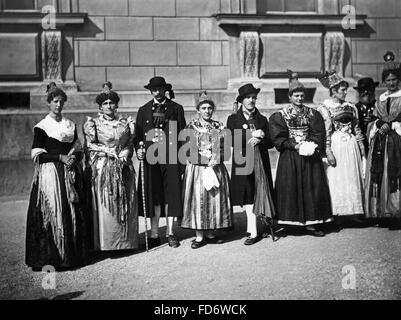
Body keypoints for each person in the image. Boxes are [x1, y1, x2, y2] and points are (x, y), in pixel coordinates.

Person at [26, 83, 89, 271]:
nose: (58, 105)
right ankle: (53, 257)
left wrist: (74, 158)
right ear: (48, 103)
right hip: (50, 175)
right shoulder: (42, 127)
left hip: (70, 172)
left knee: (74, 210)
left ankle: (73, 256)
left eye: (61, 102)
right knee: (54, 211)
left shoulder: (70, 125)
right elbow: (37, 154)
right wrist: (59, 157)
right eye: (55, 102)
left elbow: (78, 148)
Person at [269, 71, 332, 236]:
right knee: (290, 186)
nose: (299, 98)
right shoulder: (280, 115)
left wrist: (309, 145)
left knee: (311, 186)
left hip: (309, 156)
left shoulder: (313, 114)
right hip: (290, 157)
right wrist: (294, 146)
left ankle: (311, 223)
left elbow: (318, 133)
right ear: (290, 97)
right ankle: (290, 220)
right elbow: (278, 138)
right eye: (296, 95)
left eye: (301, 95)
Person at [83, 82, 138, 251]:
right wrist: (108, 151)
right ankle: (105, 243)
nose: (109, 106)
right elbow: (89, 145)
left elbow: (129, 142)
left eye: (111, 103)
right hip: (103, 166)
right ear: (100, 107)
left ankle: (126, 242)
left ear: (116, 105)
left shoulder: (124, 123)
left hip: (122, 164)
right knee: (106, 202)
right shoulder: (94, 124)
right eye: (105, 103)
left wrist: (125, 153)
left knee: (125, 200)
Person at [134, 76, 186, 248]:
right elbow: (138, 136)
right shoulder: (143, 110)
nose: (157, 91)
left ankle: (170, 232)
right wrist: (139, 150)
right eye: (153, 89)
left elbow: (182, 136)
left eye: (159, 88)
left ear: (165, 89)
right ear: (150, 91)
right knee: (154, 195)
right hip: (151, 158)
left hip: (170, 157)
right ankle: (154, 232)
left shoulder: (176, 109)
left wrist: (181, 161)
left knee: (171, 194)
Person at [181, 92, 233, 248]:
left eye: (210, 108)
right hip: (197, 169)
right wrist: (203, 161)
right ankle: (199, 236)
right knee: (198, 199)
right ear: (198, 110)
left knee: (214, 198)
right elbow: (187, 149)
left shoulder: (219, 127)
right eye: (203, 108)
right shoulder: (191, 127)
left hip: (216, 167)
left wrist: (216, 159)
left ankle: (210, 231)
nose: (207, 111)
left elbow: (225, 148)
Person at [227, 83, 276, 245]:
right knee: (247, 193)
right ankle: (252, 229)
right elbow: (230, 139)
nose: (251, 100)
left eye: (254, 98)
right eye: (248, 98)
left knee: (258, 191)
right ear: (241, 100)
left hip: (260, 162)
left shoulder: (262, 119)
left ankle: (256, 229)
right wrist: (250, 135)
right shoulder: (233, 119)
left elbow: (270, 142)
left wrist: (261, 138)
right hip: (243, 161)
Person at [317, 71, 366, 220]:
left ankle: (354, 211)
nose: (345, 92)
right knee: (337, 177)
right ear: (333, 91)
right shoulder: (325, 107)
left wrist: (362, 151)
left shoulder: (351, 107)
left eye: (346, 89)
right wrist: (328, 152)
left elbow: (357, 129)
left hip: (351, 145)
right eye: (343, 90)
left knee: (352, 175)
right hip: (336, 144)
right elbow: (325, 132)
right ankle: (337, 212)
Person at [364, 51, 401, 227]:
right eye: (388, 80)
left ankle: (396, 211)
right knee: (380, 172)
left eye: (394, 80)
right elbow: (373, 119)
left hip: (397, 141)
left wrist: (392, 124)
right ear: (384, 82)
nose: (391, 83)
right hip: (382, 141)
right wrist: (379, 124)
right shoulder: (381, 99)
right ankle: (383, 211)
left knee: (396, 172)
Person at [354, 77, 379, 154]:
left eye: (369, 89)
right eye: (363, 90)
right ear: (359, 92)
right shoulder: (355, 108)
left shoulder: (379, 106)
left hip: (377, 143)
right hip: (361, 145)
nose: (366, 92)